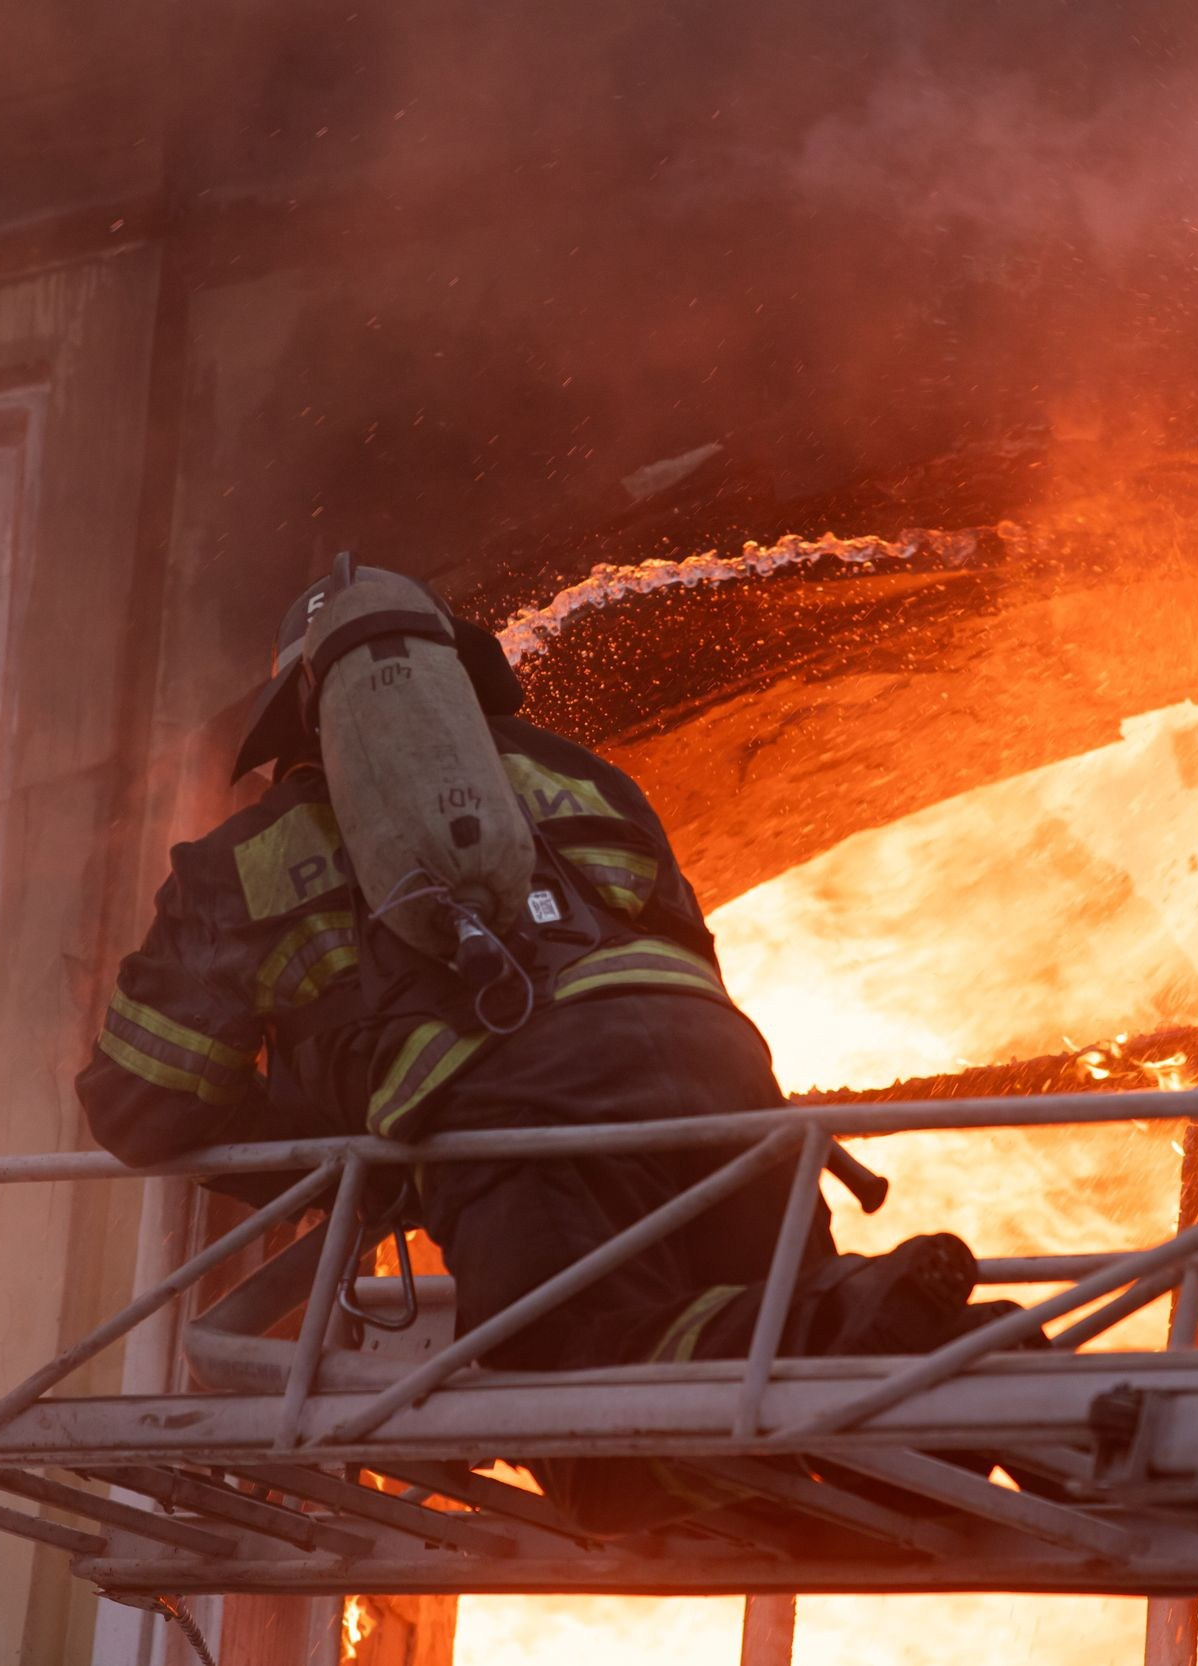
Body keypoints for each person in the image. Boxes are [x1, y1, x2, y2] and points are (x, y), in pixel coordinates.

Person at [76, 564, 989, 1531]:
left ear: (297, 721)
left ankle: (848, 1335)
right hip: (731, 1089)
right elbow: (686, 955)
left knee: (570, 1402)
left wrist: (347, 1152)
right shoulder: (588, 777)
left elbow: (141, 1099)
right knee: (759, 1354)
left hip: (526, 1128)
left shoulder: (244, 861)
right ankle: (957, 1372)